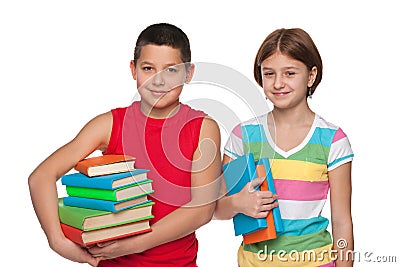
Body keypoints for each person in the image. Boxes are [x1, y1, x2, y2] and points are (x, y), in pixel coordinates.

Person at [28, 23, 221, 267]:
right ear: (133, 69)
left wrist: (132, 244)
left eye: (171, 70)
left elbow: (201, 210)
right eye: (148, 68)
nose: (159, 81)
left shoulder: (202, 128)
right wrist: (57, 241)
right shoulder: (109, 125)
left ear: (188, 73)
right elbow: (41, 176)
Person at [214, 28, 354, 267]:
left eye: (289, 73)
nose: (278, 83)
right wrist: (239, 203)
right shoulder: (243, 136)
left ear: (311, 76)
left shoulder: (332, 140)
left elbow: (342, 221)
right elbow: (217, 208)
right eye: (269, 74)